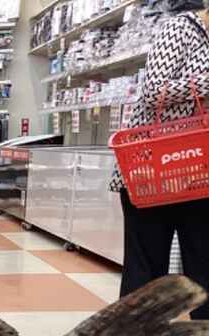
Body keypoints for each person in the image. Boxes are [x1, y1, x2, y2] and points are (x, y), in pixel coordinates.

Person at [109, 0, 209, 318]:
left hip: (198, 173)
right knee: (145, 278)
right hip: (150, 172)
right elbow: (154, 91)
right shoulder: (180, 28)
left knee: (204, 271)